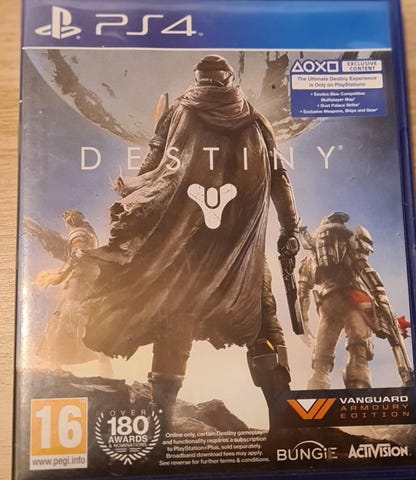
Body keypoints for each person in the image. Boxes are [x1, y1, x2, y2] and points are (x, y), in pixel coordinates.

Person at [82, 55, 300, 429]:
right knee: (261, 321)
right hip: (242, 250)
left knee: (176, 321)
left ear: (199, 79)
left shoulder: (179, 114)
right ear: (230, 80)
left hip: (188, 245)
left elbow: (152, 170)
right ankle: (282, 418)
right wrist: (290, 228)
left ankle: (162, 422)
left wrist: (134, 206)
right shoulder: (255, 120)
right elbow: (280, 178)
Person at [22, 210, 113, 377]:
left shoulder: (78, 232)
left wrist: (60, 276)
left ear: (70, 220)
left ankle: (55, 367)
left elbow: (78, 254)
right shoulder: (87, 232)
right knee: (90, 324)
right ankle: (106, 372)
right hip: (89, 281)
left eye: (67, 220)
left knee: (64, 321)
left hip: (79, 282)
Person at [299, 212, 384, 389]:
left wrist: (304, 322)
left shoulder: (311, 256)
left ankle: (318, 391)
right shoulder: (350, 243)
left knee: (321, 361)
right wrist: (381, 301)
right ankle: (359, 387)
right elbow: (367, 272)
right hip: (353, 299)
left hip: (327, 303)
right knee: (358, 350)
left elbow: (302, 293)